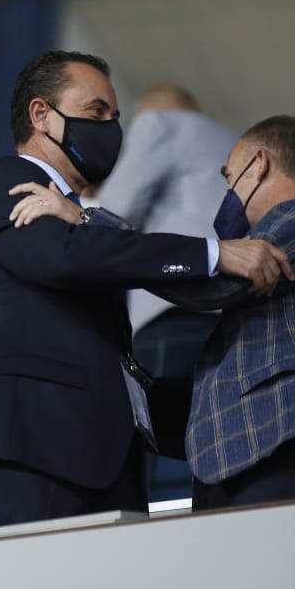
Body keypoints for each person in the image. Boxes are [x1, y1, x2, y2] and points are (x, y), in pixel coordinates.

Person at [0, 50, 292, 532]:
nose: (111, 128)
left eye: (116, 116)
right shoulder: (9, 180)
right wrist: (215, 254)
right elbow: (64, 258)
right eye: (96, 112)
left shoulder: (78, 221)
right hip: (27, 456)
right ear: (41, 115)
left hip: (103, 470)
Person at [18, 115, 295, 510]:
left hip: (276, 449)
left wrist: (89, 219)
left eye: (228, 178)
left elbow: (213, 285)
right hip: (243, 457)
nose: (227, 194)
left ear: (258, 164)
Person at [98, 85, 238, 379]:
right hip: (233, 318)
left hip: (171, 311)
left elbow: (115, 210)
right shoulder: (236, 142)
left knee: (164, 419)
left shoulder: (159, 124)